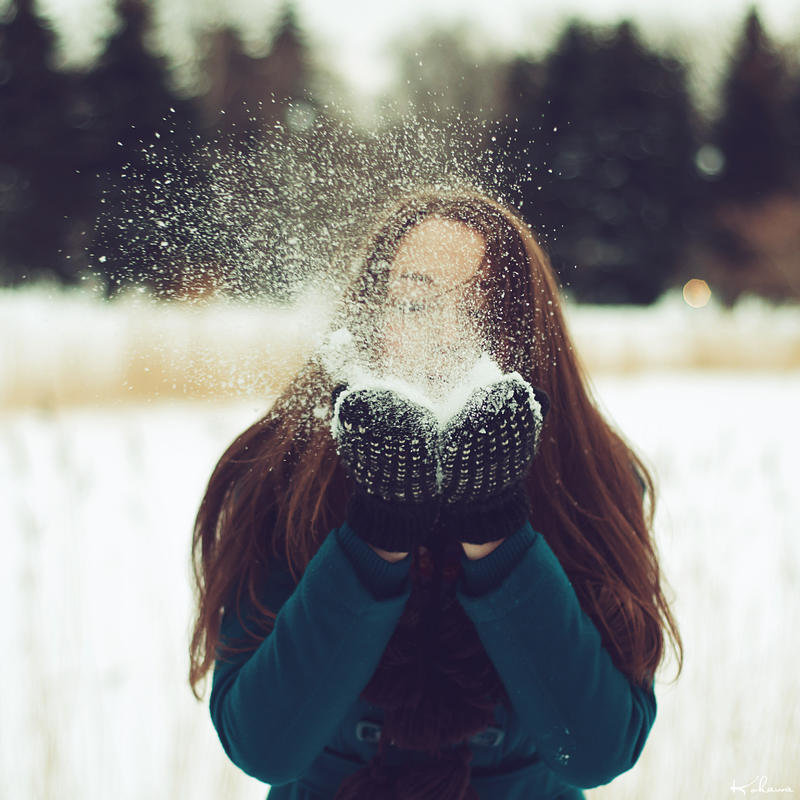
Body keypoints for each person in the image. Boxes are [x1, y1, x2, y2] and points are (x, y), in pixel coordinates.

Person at [188, 185, 683, 799]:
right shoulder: (284, 472)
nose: (449, 333)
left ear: (526, 331)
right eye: (416, 303)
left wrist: (499, 533)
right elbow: (264, 744)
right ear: (375, 318)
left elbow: (594, 750)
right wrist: (374, 538)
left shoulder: (588, 476)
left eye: (480, 307)